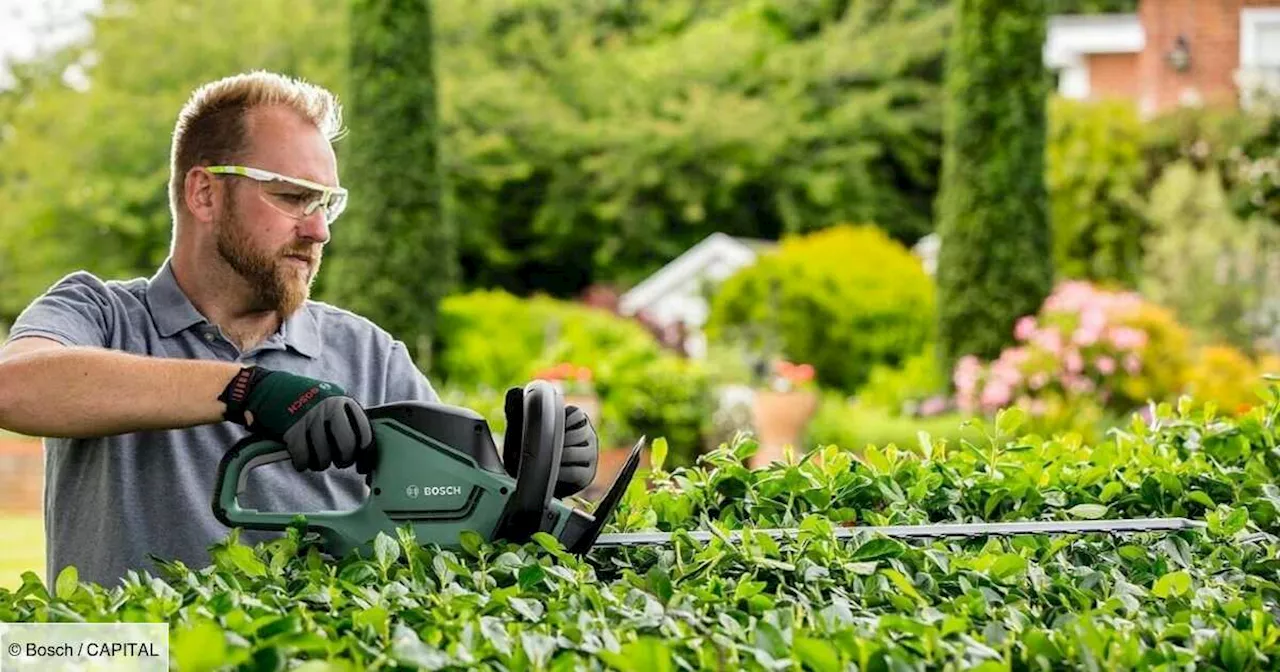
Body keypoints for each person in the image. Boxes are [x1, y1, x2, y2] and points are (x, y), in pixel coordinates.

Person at [0, 71, 599, 588]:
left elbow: (456, 520)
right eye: (293, 198)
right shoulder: (102, 315)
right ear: (204, 192)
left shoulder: (369, 356)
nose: (319, 233)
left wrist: (528, 482)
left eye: (326, 205)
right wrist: (246, 390)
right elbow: (16, 387)